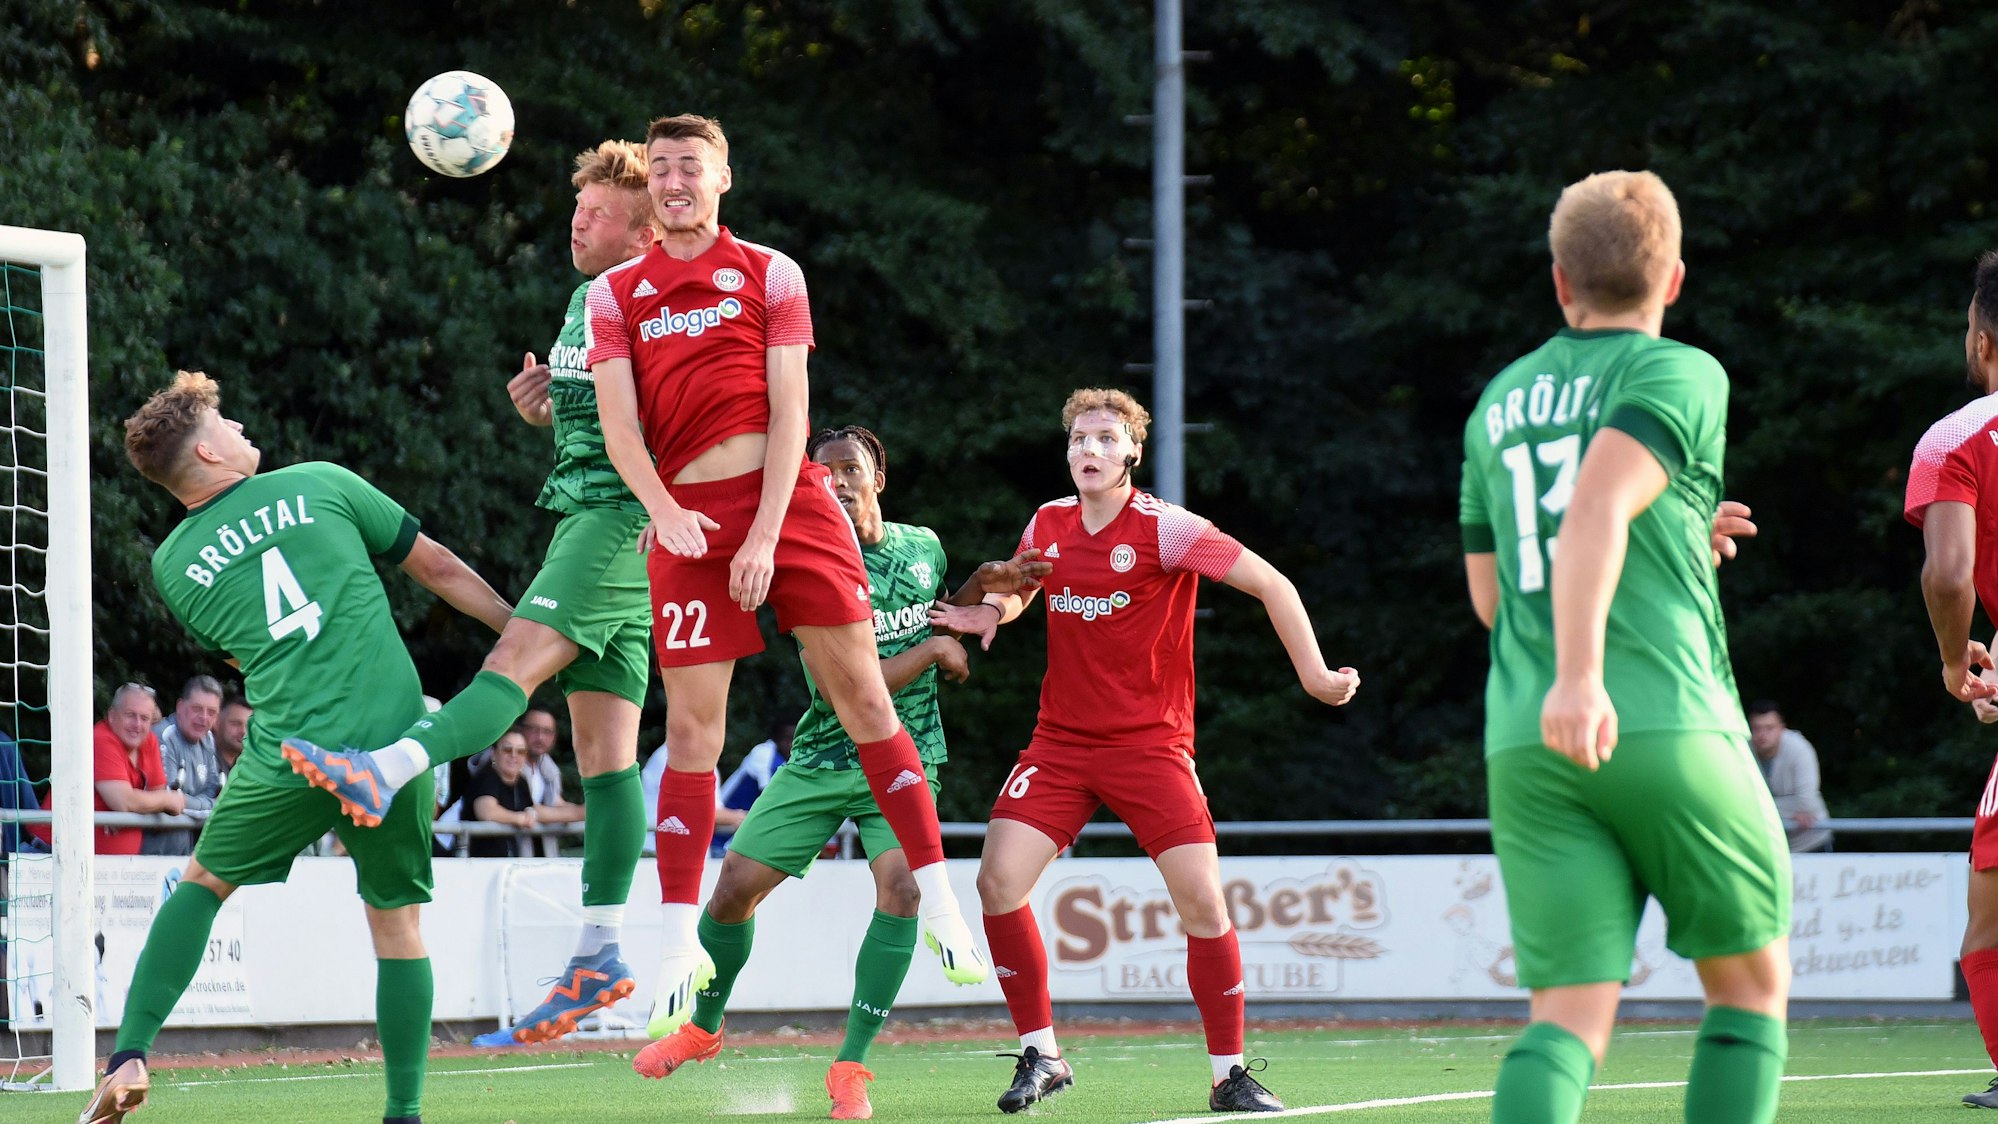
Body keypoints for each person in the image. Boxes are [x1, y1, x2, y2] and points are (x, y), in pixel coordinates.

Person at [585, 112, 984, 1036]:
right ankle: (681, 936)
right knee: (692, 733)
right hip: (684, 519)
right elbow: (619, 430)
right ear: (650, 187)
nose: (676, 180)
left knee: (867, 707)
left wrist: (764, 533)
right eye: (663, 169)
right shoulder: (617, 294)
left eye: (693, 165)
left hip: (788, 506)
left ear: (723, 177)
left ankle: (943, 902)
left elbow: (793, 411)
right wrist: (663, 511)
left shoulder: (772, 270)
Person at [288, 140, 665, 1048]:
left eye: (598, 212)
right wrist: (548, 407)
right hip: (601, 517)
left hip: (619, 522)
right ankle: (601, 955)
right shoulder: (594, 298)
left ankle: (386, 770)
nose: (578, 221)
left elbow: (682, 415)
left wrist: (669, 503)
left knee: (511, 666)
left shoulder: (650, 293)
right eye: (575, 208)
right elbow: (610, 417)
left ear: (646, 227)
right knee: (605, 756)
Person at [79, 370, 514, 1124]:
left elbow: (245, 656)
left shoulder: (173, 567)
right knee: (397, 925)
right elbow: (438, 566)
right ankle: (403, 1112)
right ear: (209, 453)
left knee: (202, 886)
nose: (245, 432)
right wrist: (520, 633)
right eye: (231, 425)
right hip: (389, 741)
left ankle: (129, 1055)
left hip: (287, 749)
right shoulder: (320, 481)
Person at [1459, 171, 1790, 1124]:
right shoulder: (1679, 371)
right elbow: (1598, 503)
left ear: (1560, 281)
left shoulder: (1498, 401)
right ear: (1674, 278)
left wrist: (1681, 543)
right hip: (1655, 716)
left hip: (1526, 739)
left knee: (1567, 1016)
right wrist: (1583, 674)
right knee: (1748, 986)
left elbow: (1494, 597)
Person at [926, 388, 1359, 1115]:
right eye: (1077, 440)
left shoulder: (1168, 528)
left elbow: (1273, 584)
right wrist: (991, 610)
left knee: (1201, 900)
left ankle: (1229, 1076)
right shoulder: (1050, 521)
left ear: (1132, 452)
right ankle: (1043, 1055)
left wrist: (1316, 677)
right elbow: (1027, 584)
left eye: (1104, 438)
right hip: (1061, 744)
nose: (1087, 451)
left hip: (1152, 745)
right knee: (997, 881)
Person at [635, 426, 1046, 1118]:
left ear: (878, 477)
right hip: (825, 753)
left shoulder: (924, 546)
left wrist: (986, 587)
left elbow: (936, 610)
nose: (839, 482)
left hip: (906, 759)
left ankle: (850, 1066)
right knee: (733, 888)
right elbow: (846, 688)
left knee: (904, 890)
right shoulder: (804, 552)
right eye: (824, 474)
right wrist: (935, 651)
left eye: (851, 469)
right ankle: (703, 1028)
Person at [1904, 248, 1998, 1110]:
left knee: (1990, 911)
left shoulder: (1960, 436)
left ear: (1981, 339)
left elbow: (1948, 574)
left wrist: (1953, 657)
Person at [38, 684, 180, 856]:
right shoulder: (100, 739)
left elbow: (152, 795)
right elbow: (124, 802)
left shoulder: (148, 741)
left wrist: (132, 811)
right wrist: (166, 799)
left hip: (115, 869)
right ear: (112, 716)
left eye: (144, 718)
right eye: (130, 715)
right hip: (54, 857)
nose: (137, 724)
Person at [462, 730, 584, 858]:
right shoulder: (486, 777)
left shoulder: (521, 782)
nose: (514, 755)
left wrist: (583, 812)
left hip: (500, 861)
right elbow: (487, 811)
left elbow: (535, 811)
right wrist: (518, 818)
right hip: (471, 861)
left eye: (520, 751)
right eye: (507, 750)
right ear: (493, 754)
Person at [143, 675, 226, 856]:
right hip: (150, 854)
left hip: (183, 852)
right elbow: (168, 800)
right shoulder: (163, 736)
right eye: (197, 709)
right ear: (180, 707)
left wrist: (199, 802)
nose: (204, 718)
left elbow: (215, 793)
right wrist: (210, 805)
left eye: (211, 712)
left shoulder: (208, 740)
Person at [1745, 701, 1832, 852]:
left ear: (1782, 728)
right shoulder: (1743, 752)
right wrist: (1791, 809)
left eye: (1769, 728)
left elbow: (1806, 802)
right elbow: (1740, 801)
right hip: (1766, 846)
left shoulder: (1799, 749)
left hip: (1810, 841)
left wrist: (1757, 809)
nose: (1762, 734)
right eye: (1757, 728)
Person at [215, 697, 251, 776]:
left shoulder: (247, 770)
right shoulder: (203, 761)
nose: (243, 732)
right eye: (236, 724)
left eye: (248, 727)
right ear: (216, 723)